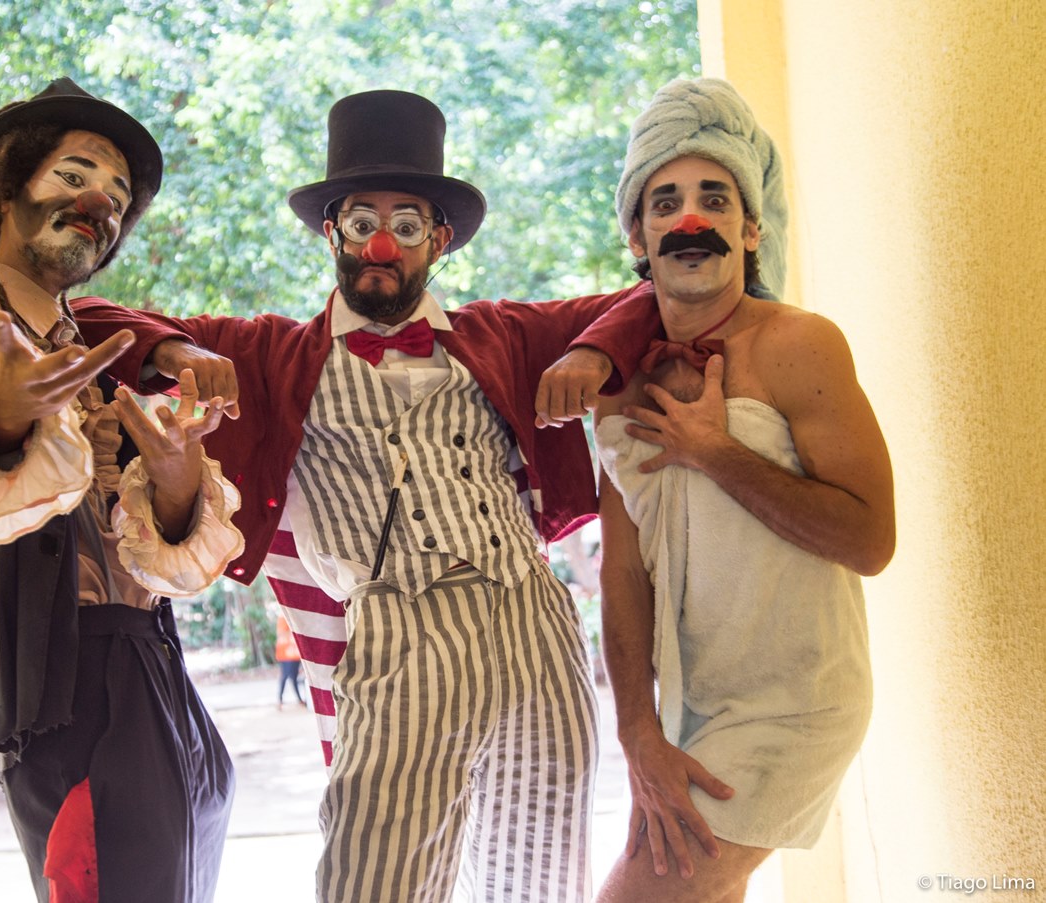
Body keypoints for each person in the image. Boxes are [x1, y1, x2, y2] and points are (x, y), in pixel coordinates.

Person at [73, 90, 663, 903]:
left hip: (533, 623)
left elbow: (654, 297)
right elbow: (86, 317)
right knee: (370, 881)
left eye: (407, 223)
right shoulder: (269, 353)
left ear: (439, 239)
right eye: (361, 221)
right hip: (394, 632)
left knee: (535, 878)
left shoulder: (507, 334)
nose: (381, 242)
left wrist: (592, 354)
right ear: (333, 232)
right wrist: (175, 347)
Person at [0, 78, 244, 903]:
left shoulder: (87, 350)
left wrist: (175, 479)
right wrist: (1, 409)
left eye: (115, 194)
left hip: (157, 676)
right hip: (72, 697)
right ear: (8, 183)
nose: (99, 201)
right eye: (74, 175)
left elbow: (149, 547)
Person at [588, 78, 895, 903]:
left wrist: (714, 452)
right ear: (637, 233)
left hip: (798, 702)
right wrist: (637, 732)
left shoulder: (801, 345)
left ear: (749, 227)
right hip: (691, 708)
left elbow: (871, 542)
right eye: (665, 201)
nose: (690, 218)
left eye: (713, 197)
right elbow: (622, 574)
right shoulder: (617, 385)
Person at [273, 613, 305, 708]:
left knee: (294, 677)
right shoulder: (283, 617)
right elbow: (281, 633)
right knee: (285, 676)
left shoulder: (292, 615)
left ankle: (298, 699)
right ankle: (280, 700)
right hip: (286, 654)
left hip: (294, 653)